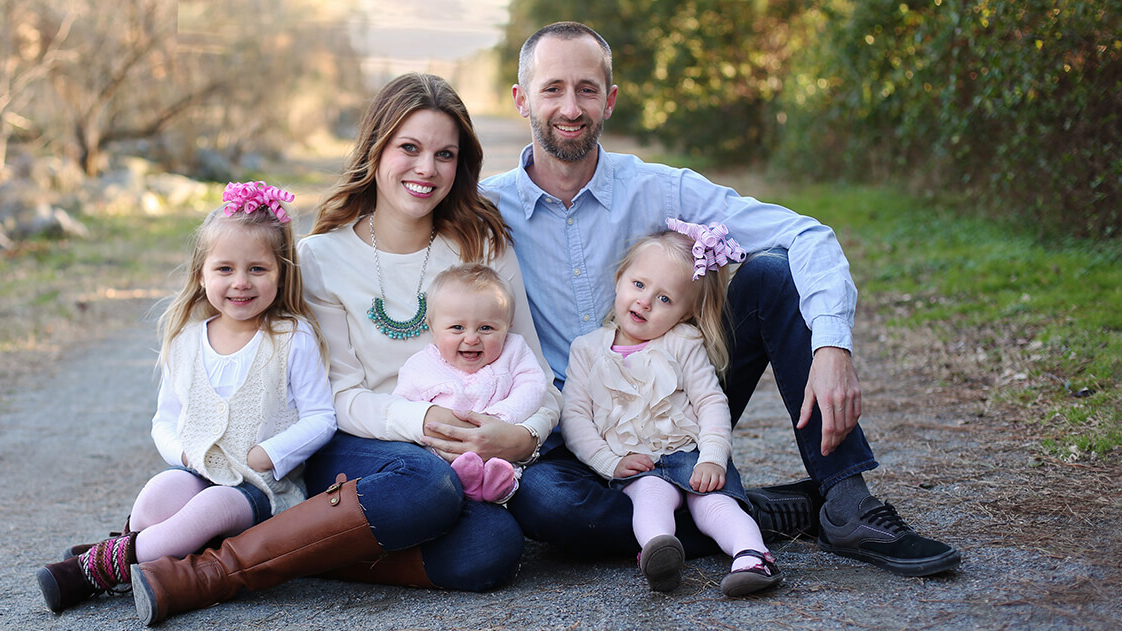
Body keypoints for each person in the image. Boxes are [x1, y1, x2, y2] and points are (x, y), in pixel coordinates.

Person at [480, 21, 961, 577]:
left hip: (677, 400)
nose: (571, 106)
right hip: (575, 430)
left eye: (587, 89)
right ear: (521, 100)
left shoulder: (659, 188)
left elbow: (805, 235)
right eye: (552, 89)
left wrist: (832, 347)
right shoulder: (483, 210)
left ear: (609, 100)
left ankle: (847, 499)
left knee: (771, 275)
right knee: (548, 508)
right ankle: (749, 513)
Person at [128, 73, 561, 625]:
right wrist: (420, 420)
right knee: (428, 485)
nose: (426, 168)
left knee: (493, 545)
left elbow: (538, 379)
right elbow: (340, 396)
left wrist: (521, 435)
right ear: (376, 150)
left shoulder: (483, 246)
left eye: (444, 154)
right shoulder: (321, 257)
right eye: (409, 147)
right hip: (355, 447)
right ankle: (208, 574)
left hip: (462, 454)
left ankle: (294, 543)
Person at [35, 181, 336, 613]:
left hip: (259, 490)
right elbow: (164, 421)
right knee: (158, 495)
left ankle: (93, 569)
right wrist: (185, 455)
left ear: (282, 272)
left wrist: (268, 454)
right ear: (202, 273)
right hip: (200, 472)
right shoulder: (186, 341)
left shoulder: (291, 337)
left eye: (257, 269)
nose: (240, 283)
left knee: (211, 506)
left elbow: (321, 417)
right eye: (225, 269)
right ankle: (146, 559)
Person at [563, 221, 782, 597]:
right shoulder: (586, 350)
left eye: (665, 299)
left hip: (690, 454)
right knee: (649, 499)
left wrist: (712, 457)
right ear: (619, 279)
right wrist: (607, 462)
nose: (645, 301)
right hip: (637, 462)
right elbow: (575, 417)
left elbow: (711, 401)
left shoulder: (683, 342)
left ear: (685, 313)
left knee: (714, 505)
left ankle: (752, 557)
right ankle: (660, 555)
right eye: (639, 285)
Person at [393, 263, 549, 504]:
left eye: (486, 328)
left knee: (506, 470)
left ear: (506, 328)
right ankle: (466, 480)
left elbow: (533, 385)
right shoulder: (420, 366)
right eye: (457, 327)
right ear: (433, 330)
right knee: (440, 465)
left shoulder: (514, 350)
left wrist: (502, 416)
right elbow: (401, 407)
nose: (472, 338)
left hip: (501, 448)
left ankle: (500, 486)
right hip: (444, 456)